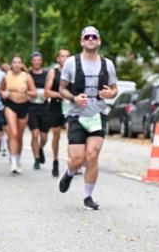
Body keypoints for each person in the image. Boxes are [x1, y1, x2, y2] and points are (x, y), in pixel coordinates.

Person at [57, 27, 118, 209]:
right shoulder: (71, 63)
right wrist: (73, 98)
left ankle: (88, 197)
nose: (91, 39)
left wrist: (111, 93)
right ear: (82, 42)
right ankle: (69, 173)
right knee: (76, 159)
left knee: (92, 155)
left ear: (99, 41)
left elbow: (115, 89)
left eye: (94, 37)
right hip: (76, 115)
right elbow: (62, 88)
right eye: (87, 37)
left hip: (98, 115)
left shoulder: (108, 64)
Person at [0, 55, 36, 173]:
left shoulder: (27, 76)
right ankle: (13, 162)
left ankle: (17, 158)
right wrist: (3, 93)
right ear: (11, 64)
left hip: (23, 106)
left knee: (19, 136)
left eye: (19, 62)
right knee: (13, 133)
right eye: (14, 62)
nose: (17, 64)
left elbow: (34, 93)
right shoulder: (6, 76)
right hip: (10, 105)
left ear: (22, 64)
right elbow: (1, 90)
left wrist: (26, 91)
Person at [44, 48, 71, 176]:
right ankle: (55, 160)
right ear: (58, 59)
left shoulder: (74, 72)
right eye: (62, 56)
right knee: (56, 135)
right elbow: (46, 92)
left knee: (71, 133)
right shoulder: (53, 72)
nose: (64, 59)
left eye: (67, 56)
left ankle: (72, 162)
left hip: (69, 107)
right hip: (55, 106)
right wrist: (61, 94)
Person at [27, 51, 51, 170]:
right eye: (34, 60)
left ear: (41, 61)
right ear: (31, 61)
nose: (36, 62)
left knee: (44, 136)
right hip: (31, 107)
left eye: (38, 60)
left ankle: (40, 148)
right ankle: (36, 158)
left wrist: (47, 94)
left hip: (44, 107)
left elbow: (51, 87)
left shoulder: (47, 74)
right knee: (35, 134)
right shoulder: (27, 74)